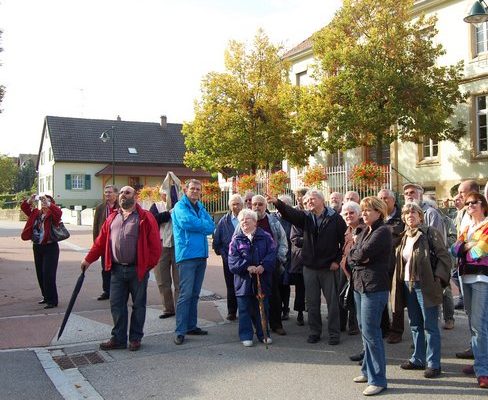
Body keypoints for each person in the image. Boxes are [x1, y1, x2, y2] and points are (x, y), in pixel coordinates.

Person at [81, 186, 162, 351]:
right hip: (116, 270)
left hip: (137, 270)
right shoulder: (112, 218)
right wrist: (88, 260)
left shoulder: (145, 218)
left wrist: (147, 266)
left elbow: (155, 246)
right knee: (116, 304)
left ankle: (135, 338)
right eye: (122, 193)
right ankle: (118, 338)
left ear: (135, 197)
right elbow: (100, 242)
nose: (124, 195)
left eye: (128, 193)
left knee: (138, 305)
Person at [267, 189, 346, 346]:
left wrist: (337, 260)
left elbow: (344, 241)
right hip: (309, 267)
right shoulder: (306, 217)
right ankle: (315, 332)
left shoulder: (335, 218)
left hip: (329, 267)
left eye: (312, 199)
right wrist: (277, 202)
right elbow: (290, 214)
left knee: (332, 303)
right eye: (306, 200)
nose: (308, 202)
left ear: (322, 201)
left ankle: (334, 333)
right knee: (312, 302)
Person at [392, 203, 451, 379]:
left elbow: (444, 258)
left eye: (413, 212)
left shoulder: (430, 232)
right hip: (408, 285)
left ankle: (434, 363)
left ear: (420, 216)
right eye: (406, 212)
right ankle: (418, 358)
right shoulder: (404, 236)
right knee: (415, 325)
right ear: (403, 217)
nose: (410, 214)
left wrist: (439, 280)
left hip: (426, 285)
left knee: (430, 326)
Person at [347, 197, 391, 396]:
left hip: (374, 286)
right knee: (365, 329)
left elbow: (361, 253)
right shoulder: (366, 230)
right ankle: (367, 370)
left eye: (368, 210)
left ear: (379, 212)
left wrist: (357, 253)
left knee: (372, 332)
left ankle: (378, 379)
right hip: (359, 284)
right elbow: (352, 255)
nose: (363, 214)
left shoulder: (382, 231)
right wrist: (357, 253)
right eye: (363, 210)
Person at [451, 192, 488, 389]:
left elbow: (479, 251)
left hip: (482, 277)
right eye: (467, 204)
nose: (470, 206)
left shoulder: (487, 225)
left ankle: (483, 370)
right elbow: (454, 250)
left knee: (479, 325)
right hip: (466, 277)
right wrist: (466, 245)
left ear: (483, 204)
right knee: (474, 324)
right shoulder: (466, 226)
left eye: (474, 202)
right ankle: (480, 363)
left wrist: (465, 246)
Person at [172, 179, 215, 345]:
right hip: (187, 255)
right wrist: (203, 225)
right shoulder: (180, 207)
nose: (195, 191)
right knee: (186, 294)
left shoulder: (200, 206)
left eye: (198, 189)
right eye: (193, 188)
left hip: (201, 255)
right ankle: (180, 330)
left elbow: (211, 226)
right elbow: (186, 223)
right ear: (185, 189)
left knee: (195, 293)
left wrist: (202, 225)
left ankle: (191, 325)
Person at [228, 209, 276, 346]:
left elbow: (272, 254)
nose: (244, 222)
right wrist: (246, 267)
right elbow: (232, 261)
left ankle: (263, 334)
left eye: (247, 219)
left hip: (262, 279)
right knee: (244, 309)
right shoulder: (235, 240)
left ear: (255, 222)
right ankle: (246, 335)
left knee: (262, 308)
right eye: (241, 220)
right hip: (243, 281)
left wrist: (263, 266)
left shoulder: (266, 237)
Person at [251, 195, 288, 335]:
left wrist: (279, 259)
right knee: (255, 296)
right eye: (255, 204)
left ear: (266, 206)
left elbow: (283, 241)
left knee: (274, 295)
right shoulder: (246, 220)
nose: (257, 207)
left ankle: (276, 324)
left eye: (260, 204)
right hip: (253, 266)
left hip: (271, 264)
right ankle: (258, 326)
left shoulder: (273, 221)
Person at [21, 194, 62, 309]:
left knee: (48, 274)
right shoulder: (36, 214)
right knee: (40, 273)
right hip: (37, 246)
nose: (43, 203)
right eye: (43, 201)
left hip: (50, 247)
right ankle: (46, 296)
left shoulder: (53, 215)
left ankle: (52, 300)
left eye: (47, 202)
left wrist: (49, 203)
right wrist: (30, 200)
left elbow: (59, 212)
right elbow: (25, 208)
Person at [149, 172, 181, 319]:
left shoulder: (181, 206)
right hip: (161, 245)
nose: (167, 196)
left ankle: (180, 308)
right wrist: (167, 214)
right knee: (162, 279)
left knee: (179, 279)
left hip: (178, 246)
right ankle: (168, 308)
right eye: (165, 194)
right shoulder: (156, 206)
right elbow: (152, 222)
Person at [377, 188, 405, 344]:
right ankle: (384, 327)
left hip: (396, 264)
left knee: (396, 300)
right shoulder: (377, 218)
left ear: (394, 200)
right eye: (380, 198)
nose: (383, 200)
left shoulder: (402, 218)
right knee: (380, 298)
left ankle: (396, 331)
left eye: (386, 198)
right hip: (379, 265)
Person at [213, 193, 243, 321]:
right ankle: (232, 311)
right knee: (231, 286)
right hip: (229, 260)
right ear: (229, 206)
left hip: (245, 259)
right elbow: (216, 242)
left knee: (244, 286)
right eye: (233, 204)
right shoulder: (223, 221)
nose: (236, 207)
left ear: (242, 205)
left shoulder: (247, 218)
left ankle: (245, 310)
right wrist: (224, 255)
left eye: (238, 204)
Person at [339, 201, 362, 336]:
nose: (349, 216)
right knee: (342, 295)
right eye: (346, 214)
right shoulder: (346, 230)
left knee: (353, 297)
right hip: (343, 267)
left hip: (356, 268)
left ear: (358, 214)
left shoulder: (362, 229)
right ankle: (341, 323)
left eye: (352, 213)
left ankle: (353, 325)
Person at [92, 184, 119, 300]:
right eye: (106, 192)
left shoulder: (121, 206)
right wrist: (96, 243)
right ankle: (106, 291)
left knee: (117, 268)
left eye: (110, 192)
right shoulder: (100, 208)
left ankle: (118, 291)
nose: (107, 194)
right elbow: (95, 227)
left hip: (118, 243)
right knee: (105, 268)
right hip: (105, 243)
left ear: (116, 194)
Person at [289, 189, 309, 326]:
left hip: (315, 259)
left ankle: (313, 312)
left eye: (301, 197)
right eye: (297, 197)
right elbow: (295, 239)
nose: (299, 200)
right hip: (300, 258)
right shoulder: (296, 215)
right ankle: (300, 313)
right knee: (300, 288)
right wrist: (313, 240)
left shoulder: (315, 214)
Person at [276, 194, 293, 321]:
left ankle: (285, 309)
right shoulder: (273, 219)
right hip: (276, 256)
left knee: (285, 284)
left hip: (289, 257)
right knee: (277, 284)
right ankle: (277, 309)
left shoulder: (292, 219)